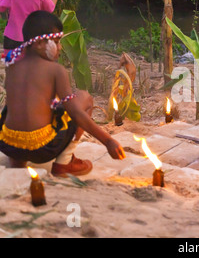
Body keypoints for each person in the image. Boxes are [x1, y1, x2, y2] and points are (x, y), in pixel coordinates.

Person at [0, 11, 125, 177]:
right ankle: (64, 162)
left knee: (12, 108)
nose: (60, 48)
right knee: (84, 98)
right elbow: (76, 113)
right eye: (57, 42)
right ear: (39, 44)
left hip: (9, 145)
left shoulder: (13, 65)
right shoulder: (55, 70)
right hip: (42, 149)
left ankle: (18, 162)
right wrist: (108, 141)